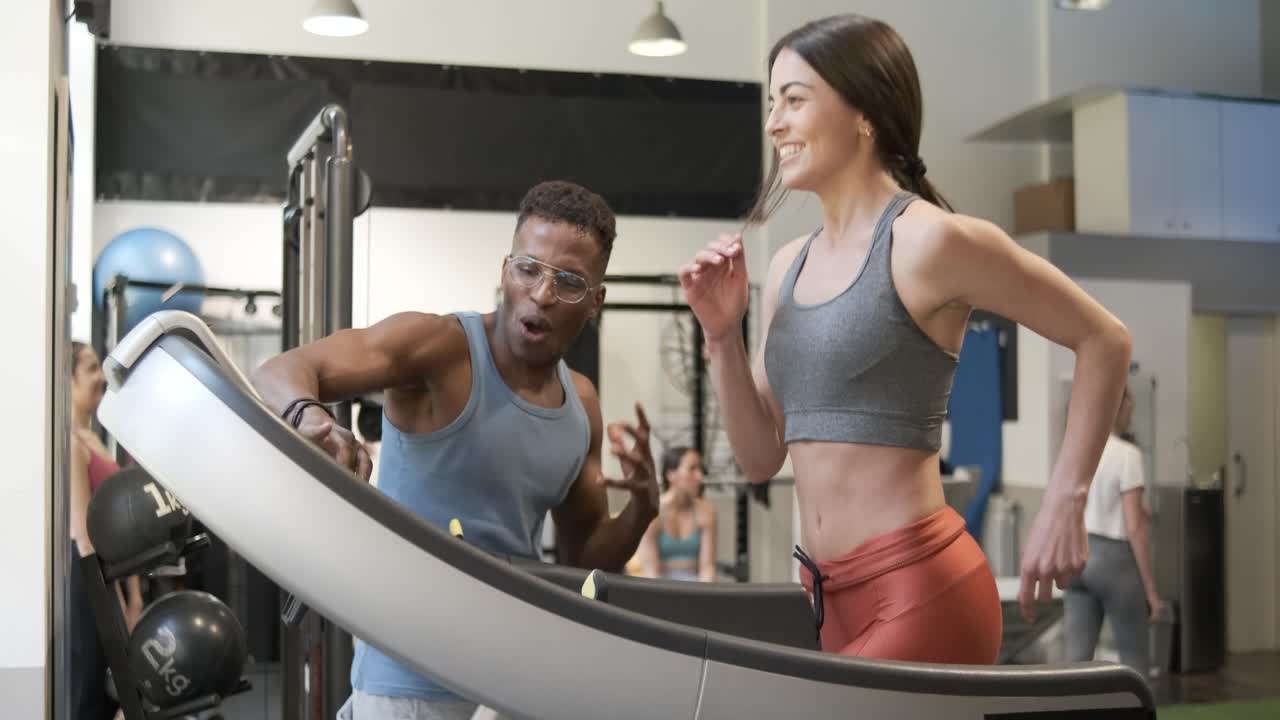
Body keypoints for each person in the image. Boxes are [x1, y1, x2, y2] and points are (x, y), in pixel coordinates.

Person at [678, 13, 1132, 663]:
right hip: (824, 598)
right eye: (772, 102)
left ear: (864, 113)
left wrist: (1066, 498)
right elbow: (759, 459)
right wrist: (722, 337)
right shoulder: (786, 268)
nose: (774, 122)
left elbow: (1103, 339)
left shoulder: (931, 241)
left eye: (795, 100)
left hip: (921, 590)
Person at [250, 180, 660, 720]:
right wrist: (310, 416)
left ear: (595, 301)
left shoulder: (579, 404)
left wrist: (642, 511)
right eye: (528, 269)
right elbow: (279, 372)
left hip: (513, 684)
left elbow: (582, 561)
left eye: (568, 282)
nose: (541, 294)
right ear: (504, 270)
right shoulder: (440, 348)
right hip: (407, 684)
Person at [67, 341, 145, 720]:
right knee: (92, 693)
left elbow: (118, 531)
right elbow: (85, 537)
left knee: (118, 696)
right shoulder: (70, 446)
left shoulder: (95, 439)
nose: (101, 377)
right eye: (91, 368)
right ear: (67, 381)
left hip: (110, 576)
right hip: (90, 582)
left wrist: (134, 599)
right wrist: (113, 600)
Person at [1064, 385, 1163, 678]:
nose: (1132, 414)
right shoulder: (1128, 454)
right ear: (1117, 408)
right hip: (1114, 562)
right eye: (1130, 406)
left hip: (1078, 559)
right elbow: (1134, 527)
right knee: (1134, 661)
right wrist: (1151, 591)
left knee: (1074, 665)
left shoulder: (1077, 448)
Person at [634, 446, 718, 581]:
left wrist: (704, 598)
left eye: (700, 470)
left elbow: (707, 569)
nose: (700, 476)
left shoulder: (706, 514)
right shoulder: (651, 513)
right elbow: (651, 573)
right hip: (659, 590)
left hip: (696, 590)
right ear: (671, 474)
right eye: (692, 469)